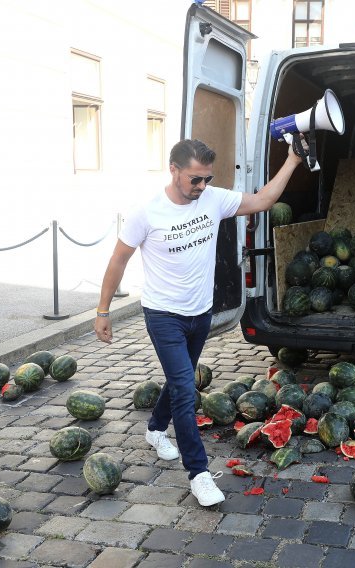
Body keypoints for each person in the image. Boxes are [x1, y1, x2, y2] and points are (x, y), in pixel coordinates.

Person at [94, 139, 303, 506]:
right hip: (163, 316)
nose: (202, 186)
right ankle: (200, 474)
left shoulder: (212, 199)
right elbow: (118, 260)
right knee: (185, 391)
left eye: (207, 179)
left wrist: (293, 160)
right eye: (195, 179)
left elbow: (263, 201)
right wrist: (102, 310)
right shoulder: (147, 213)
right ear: (173, 169)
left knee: (182, 379)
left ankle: (156, 430)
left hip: (200, 313)